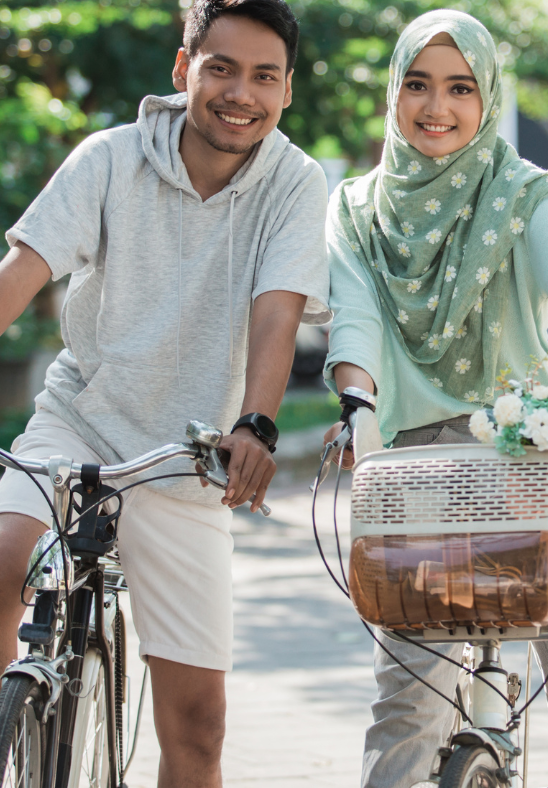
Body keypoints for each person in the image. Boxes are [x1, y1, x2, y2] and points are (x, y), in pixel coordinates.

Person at [322, 10, 548, 788]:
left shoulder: (524, 194)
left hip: (535, 467)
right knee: (407, 708)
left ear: (487, 97)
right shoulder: (356, 211)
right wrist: (357, 405)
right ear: (393, 94)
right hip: (415, 479)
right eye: (419, 85)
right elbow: (353, 323)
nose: (437, 108)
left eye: (461, 88)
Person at [0, 0, 329, 784]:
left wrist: (256, 423)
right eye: (220, 68)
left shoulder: (295, 183)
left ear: (285, 92)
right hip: (79, 423)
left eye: (263, 76)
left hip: (188, 457)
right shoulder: (110, 157)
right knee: (0, 556)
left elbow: (277, 314)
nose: (239, 93)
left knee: (198, 731)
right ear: (184, 71)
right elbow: (22, 271)